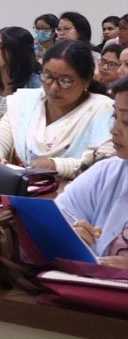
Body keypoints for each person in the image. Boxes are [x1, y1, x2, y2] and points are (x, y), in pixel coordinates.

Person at [0, 40, 114, 181]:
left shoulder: (104, 109)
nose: (53, 87)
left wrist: (56, 165)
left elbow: (107, 163)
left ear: (86, 80)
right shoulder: (26, 101)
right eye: (48, 77)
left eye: (65, 81)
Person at [57, 78, 128, 266]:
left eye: (127, 122)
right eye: (115, 117)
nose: (114, 130)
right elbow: (53, 224)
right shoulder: (106, 174)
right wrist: (70, 238)